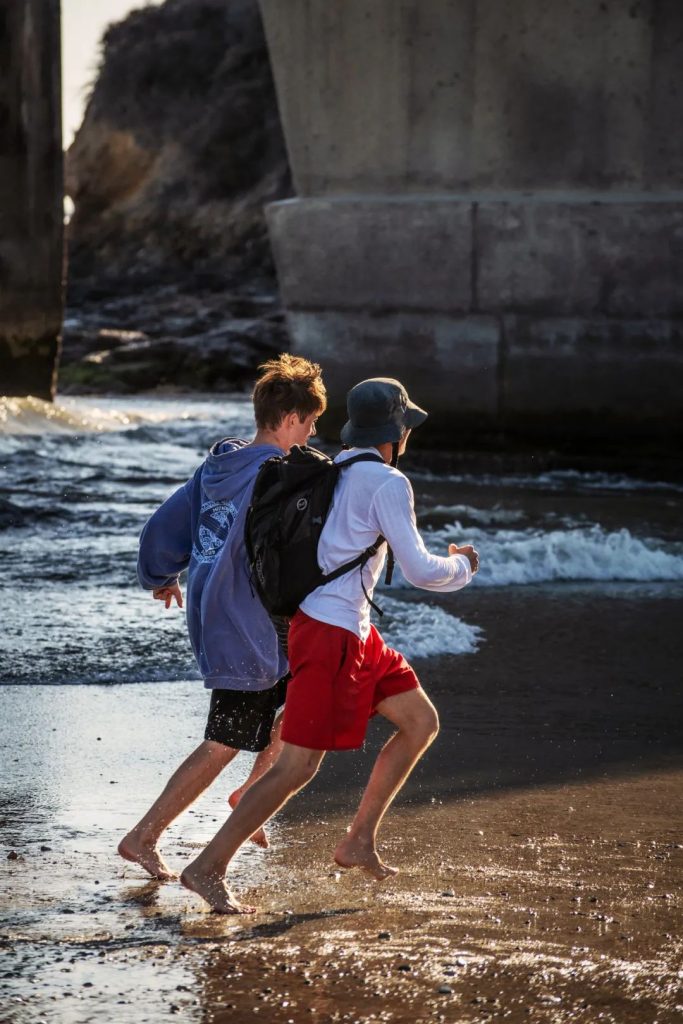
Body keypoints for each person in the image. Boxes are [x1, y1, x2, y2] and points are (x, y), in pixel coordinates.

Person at [179, 377, 480, 913]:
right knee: (296, 766)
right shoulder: (388, 482)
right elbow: (419, 570)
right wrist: (463, 565)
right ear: (396, 432)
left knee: (419, 721)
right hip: (330, 635)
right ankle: (208, 866)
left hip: (350, 629)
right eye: (406, 426)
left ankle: (359, 841)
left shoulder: (333, 467)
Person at [118, 353, 327, 880]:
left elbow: (162, 528)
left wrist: (159, 575)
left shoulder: (216, 467)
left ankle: (251, 793)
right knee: (225, 740)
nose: (312, 434)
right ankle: (143, 837)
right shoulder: (281, 477)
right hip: (242, 624)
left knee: (303, 699)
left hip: (233, 615)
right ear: (289, 419)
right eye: (309, 423)